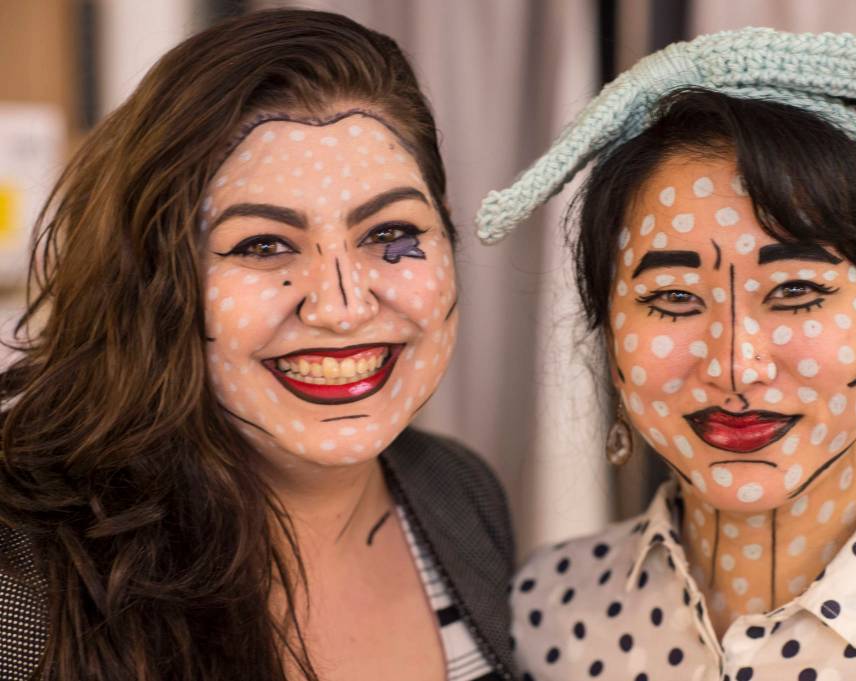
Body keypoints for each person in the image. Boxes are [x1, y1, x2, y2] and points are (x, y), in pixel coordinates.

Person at [477, 29, 856, 680]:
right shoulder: (547, 614)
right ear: (607, 322)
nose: (735, 367)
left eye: (796, 291)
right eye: (674, 297)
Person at [0, 10, 513, 681]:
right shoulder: (22, 572)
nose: (342, 306)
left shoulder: (462, 491)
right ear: (157, 281)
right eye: (263, 245)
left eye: (389, 233)